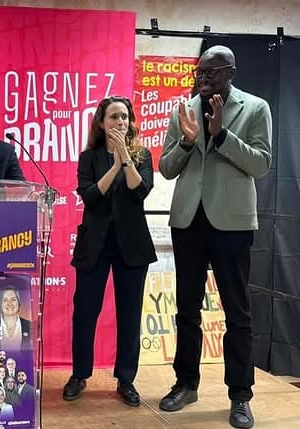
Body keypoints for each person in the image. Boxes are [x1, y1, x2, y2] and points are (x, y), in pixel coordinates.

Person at [158, 45, 271, 429]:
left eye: (212, 71)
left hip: (232, 223)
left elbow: (261, 163)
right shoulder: (184, 110)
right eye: (200, 72)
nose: (203, 78)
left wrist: (221, 136)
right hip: (188, 220)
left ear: (231, 72)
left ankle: (240, 395)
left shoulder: (255, 108)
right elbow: (166, 167)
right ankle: (186, 383)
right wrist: (187, 142)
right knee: (187, 309)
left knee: (237, 312)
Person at [64, 96, 156, 407]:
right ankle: (80, 374)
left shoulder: (142, 155)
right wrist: (114, 165)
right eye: (114, 116)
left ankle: (126, 379)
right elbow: (90, 196)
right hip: (95, 244)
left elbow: (140, 191)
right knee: (85, 311)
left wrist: (125, 160)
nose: (120, 122)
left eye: (125, 117)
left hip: (133, 245)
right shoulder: (88, 157)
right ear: (101, 123)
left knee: (129, 314)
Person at [0, 287, 32, 351]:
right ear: (0, 304)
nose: (9, 303)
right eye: (5, 300)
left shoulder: (30, 326)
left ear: (18, 302)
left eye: (13, 299)